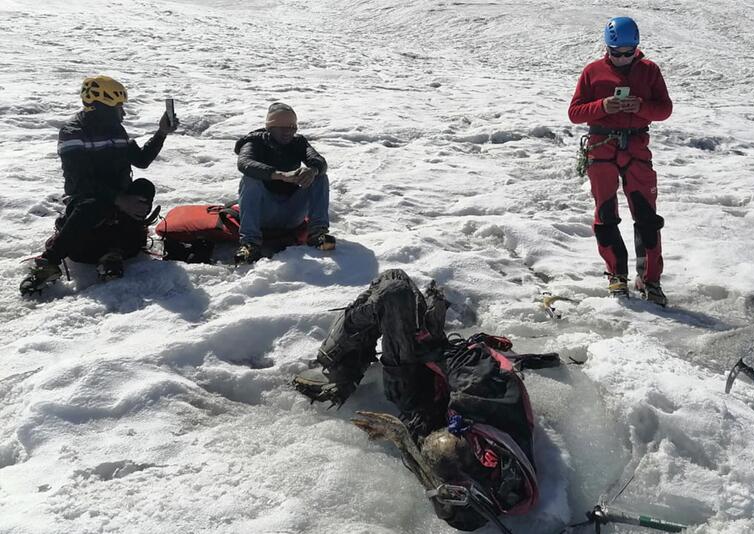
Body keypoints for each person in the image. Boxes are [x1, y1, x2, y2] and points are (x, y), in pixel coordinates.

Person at [292, 270, 554, 532]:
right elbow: (459, 358)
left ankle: (338, 368)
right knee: (398, 284)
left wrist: (401, 435)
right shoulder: (482, 393)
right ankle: (348, 358)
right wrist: (425, 338)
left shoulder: (469, 496)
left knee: (393, 290)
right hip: (439, 375)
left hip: (415, 395)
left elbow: (433, 472)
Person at [20, 75, 178, 296]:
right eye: (118, 107)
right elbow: (79, 182)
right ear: (102, 107)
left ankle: (113, 252)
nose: (123, 113)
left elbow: (141, 160)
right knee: (93, 204)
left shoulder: (116, 131)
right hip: (88, 203)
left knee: (144, 187)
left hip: (116, 202)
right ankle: (49, 262)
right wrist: (119, 199)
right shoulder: (73, 132)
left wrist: (161, 133)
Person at [568, 16, 673, 306]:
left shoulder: (650, 70)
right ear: (608, 47)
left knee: (647, 217)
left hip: (637, 148)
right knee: (605, 213)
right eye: (617, 53)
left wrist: (641, 107)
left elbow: (664, 109)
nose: (624, 58)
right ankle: (617, 275)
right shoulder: (593, 72)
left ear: (637, 48)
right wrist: (603, 106)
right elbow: (575, 113)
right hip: (602, 149)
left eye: (629, 52)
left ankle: (650, 279)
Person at [233, 103, 334, 263]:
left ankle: (318, 234)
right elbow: (244, 163)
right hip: (263, 214)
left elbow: (319, 161)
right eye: (282, 127)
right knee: (250, 178)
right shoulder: (254, 142)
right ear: (270, 127)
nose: (288, 132)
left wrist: (312, 170)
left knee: (319, 176)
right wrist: (279, 175)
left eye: (292, 127)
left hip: (292, 212)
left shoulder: (298, 142)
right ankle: (249, 243)